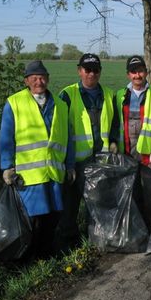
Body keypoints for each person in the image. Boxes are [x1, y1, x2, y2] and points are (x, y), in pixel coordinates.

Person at [0, 60, 74, 259]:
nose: (39, 81)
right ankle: (29, 257)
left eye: (42, 77)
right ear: (26, 81)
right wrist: (7, 167)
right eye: (34, 78)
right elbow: (6, 137)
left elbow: (69, 137)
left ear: (48, 79)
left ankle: (47, 253)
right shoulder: (14, 103)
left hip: (54, 172)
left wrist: (70, 165)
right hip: (29, 176)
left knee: (54, 216)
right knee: (33, 219)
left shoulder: (60, 104)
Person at [56, 53, 115, 250]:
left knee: (98, 202)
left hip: (100, 159)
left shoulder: (108, 94)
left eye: (95, 70)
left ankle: (96, 241)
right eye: (87, 69)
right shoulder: (67, 94)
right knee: (71, 205)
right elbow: (59, 130)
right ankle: (68, 244)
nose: (92, 73)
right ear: (79, 70)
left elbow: (114, 123)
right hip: (76, 160)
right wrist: (68, 163)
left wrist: (113, 142)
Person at [112, 55, 151, 231]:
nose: (137, 75)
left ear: (146, 72)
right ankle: (136, 231)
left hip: (149, 154)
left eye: (140, 71)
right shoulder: (120, 95)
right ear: (128, 74)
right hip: (127, 153)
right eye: (133, 72)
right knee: (132, 194)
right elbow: (114, 123)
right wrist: (114, 144)